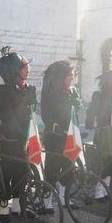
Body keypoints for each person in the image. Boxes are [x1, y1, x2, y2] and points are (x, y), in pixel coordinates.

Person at [0, 46, 37, 222]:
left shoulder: (30, 89)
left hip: (25, 138)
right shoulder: (3, 90)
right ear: (14, 71)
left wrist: (32, 133)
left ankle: (18, 205)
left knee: (23, 172)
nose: (28, 70)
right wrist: (21, 135)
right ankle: (3, 206)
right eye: (24, 67)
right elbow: (8, 116)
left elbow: (33, 113)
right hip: (10, 138)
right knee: (7, 172)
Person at [41, 61, 82, 205]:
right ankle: (47, 200)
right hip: (55, 137)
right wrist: (56, 127)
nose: (72, 77)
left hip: (69, 135)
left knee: (68, 167)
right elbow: (45, 114)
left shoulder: (72, 90)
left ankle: (65, 198)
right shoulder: (51, 92)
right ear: (61, 77)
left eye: (72, 74)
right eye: (69, 75)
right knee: (52, 167)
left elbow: (75, 110)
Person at [85, 69, 112, 200]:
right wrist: (90, 124)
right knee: (103, 162)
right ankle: (99, 191)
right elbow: (91, 111)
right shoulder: (98, 95)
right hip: (104, 133)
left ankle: (106, 189)